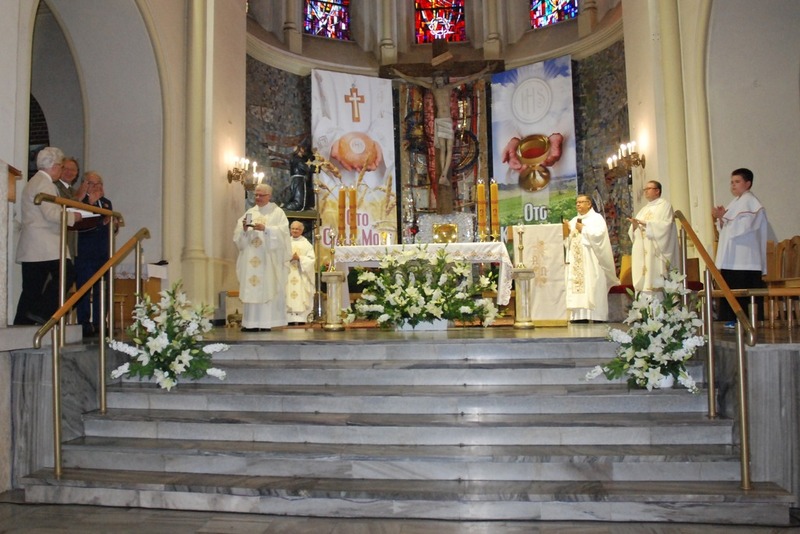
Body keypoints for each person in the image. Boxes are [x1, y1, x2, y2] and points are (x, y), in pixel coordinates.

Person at [14, 147, 82, 325]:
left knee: (31, 290)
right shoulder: (45, 184)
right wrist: (73, 217)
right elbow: (51, 213)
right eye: (61, 167)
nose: (61, 170)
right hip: (45, 245)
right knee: (67, 274)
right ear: (55, 166)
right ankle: (42, 312)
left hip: (33, 246)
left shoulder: (34, 181)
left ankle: (21, 325)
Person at [712, 168, 768, 326]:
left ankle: (746, 321)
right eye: (732, 182)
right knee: (731, 287)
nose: (733, 185)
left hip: (745, 258)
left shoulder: (750, 202)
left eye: (737, 182)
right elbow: (726, 229)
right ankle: (731, 319)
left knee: (742, 287)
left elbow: (744, 228)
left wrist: (724, 217)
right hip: (732, 257)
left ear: (748, 183)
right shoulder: (736, 202)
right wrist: (721, 219)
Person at [233, 183, 292, 332]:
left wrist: (266, 229)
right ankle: (250, 323)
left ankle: (265, 323)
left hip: (267, 260)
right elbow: (238, 238)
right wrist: (244, 230)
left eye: (261, 195)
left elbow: (284, 234)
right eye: (256, 195)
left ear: (269, 196)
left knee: (267, 288)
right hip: (250, 258)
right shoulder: (250, 212)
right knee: (250, 289)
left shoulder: (277, 213)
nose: (258, 198)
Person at [563, 194, 619, 322]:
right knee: (577, 286)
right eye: (577, 202)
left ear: (589, 204)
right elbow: (568, 241)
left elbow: (599, 236)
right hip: (577, 262)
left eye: (581, 202)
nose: (578, 204)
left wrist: (584, 229)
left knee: (593, 285)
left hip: (592, 260)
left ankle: (597, 316)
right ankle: (578, 316)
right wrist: (566, 232)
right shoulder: (574, 220)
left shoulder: (596, 218)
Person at [74, 172, 115, 336]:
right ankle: (84, 324)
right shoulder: (80, 202)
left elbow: (109, 224)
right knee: (84, 288)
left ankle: (100, 323)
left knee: (102, 288)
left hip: (103, 251)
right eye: (92, 183)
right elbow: (81, 224)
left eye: (99, 183)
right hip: (85, 251)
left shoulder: (106, 203)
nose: (97, 187)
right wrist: (91, 204)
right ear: (85, 185)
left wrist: (111, 224)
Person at [627, 180, 679, 292]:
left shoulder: (665, 206)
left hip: (656, 250)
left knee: (654, 277)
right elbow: (635, 229)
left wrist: (647, 224)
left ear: (657, 191)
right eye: (645, 189)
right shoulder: (644, 209)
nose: (645, 191)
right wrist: (635, 226)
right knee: (645, 278)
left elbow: (666, 226)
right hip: (644, 249)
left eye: (648, 189)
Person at [286, 221, 316, 325]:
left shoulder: (306, 244)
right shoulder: (286, 242)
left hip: (301, 274)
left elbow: (311, 259)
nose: (294, 231)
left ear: (302, 230)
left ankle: (301, 318)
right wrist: (288, 258)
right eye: (293, 228)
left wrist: (299, 258)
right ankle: (289, 318)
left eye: (297, 229)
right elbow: (279, 257)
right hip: (288, 273)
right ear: (290, 229)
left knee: (301, 294)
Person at [282, 144, 314, 212]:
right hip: (299, 179)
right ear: (300, 149)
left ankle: (286, 205)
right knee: (299, 203)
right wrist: (315, 167)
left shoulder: (295, 159)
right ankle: (287, 206)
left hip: (295, 179)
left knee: (297, 196)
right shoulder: (298, 159)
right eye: (303, 149)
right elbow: (305, 168)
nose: (304, 150)